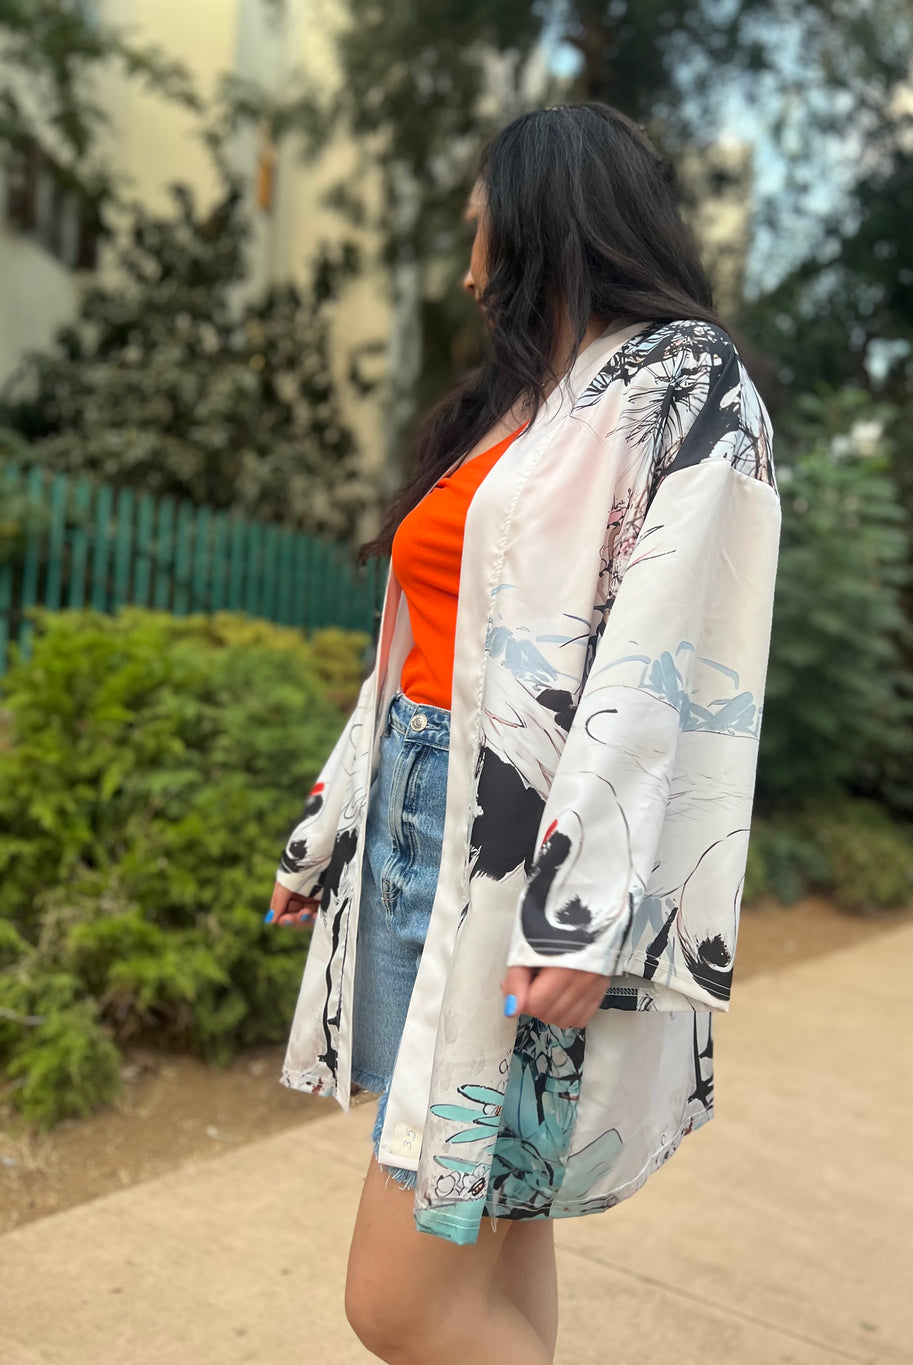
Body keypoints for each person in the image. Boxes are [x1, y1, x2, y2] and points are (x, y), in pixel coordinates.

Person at [267, 102, 782, 1365]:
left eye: (482, 231)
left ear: (552, 220)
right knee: (495, 1231)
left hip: (523, 861)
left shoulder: (685, 383)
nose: (468, 269)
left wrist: (582, 910)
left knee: (399, 1303)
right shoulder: (517, 405)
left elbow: (669, 665)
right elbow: (416, 654)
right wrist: (327, 829)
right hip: (416, 832)